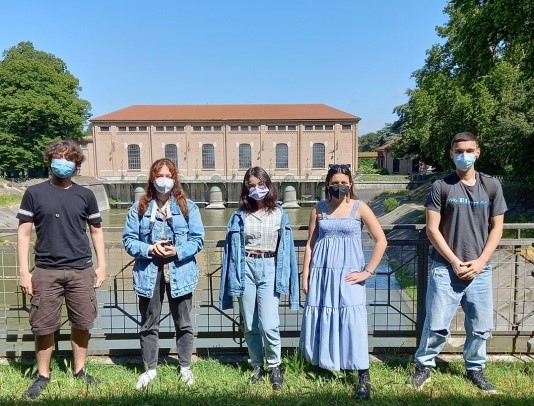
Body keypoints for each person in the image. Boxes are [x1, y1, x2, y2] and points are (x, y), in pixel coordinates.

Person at [406, 132, 507, 393]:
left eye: (469, 150)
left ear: (478, 152)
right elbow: (432, 229)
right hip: (445, 267)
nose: (464, 155)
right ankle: (424, 367)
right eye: (459, 151)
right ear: (451, 154)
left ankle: (475, 368)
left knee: (481, 326)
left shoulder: (491, 185)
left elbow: (497, 228)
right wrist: (453, 261)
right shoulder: (441, 186)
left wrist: (481, 261)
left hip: (480, 269)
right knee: (436, 324)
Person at [17, 140, 107, 400]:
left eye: (69, 158)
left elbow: (96, 231)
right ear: (50, 160)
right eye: (59, 157)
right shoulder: (34, 193)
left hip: (81, 269)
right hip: (45, 270)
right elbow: (23, 234)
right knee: (43, 326)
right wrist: (24, 271)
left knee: (82, 322)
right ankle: (43, 375)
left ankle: (80, 370)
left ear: (77, 163)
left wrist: (102, 266)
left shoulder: (85, 195)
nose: (63, 162)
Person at [299, 163, 387, 400]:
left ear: (350, 184)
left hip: (349, 275)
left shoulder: (360, 208)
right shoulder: (318, 209)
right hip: (322, 273)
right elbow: (310, 244)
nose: (339, 186)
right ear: (328, 184)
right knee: (323, 316)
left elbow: (381, 240)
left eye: (343, 183)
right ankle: (325, 363)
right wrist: (305, 275)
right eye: (335, 183)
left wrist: (367, 271)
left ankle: (363, 376)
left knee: (353, 321)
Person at [122, 158, 204, 390]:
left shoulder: (188, 208)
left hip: (181, 271)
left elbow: (198, 240)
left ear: (175, 179)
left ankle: (185, 366)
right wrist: (150, 248)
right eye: (160, 176)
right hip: (149, 272)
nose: (164, 180)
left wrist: (177, 251)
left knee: (184, 322)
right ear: (152, 178)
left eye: (169, 176)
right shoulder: (139, 208)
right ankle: (150, 369)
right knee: (149, 323)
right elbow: (128, 240)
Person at [219, 167, 299, 390]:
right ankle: (257, 365)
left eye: (260, 184)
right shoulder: (239, 215)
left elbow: (288, 249)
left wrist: (292, 279)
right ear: (246, 188)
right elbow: (230, 250)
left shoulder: (280, 213)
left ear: (268, 185)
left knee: (269, 323)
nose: (256, 189)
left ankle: (275, 365)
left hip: (270, 266)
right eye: (251, 185)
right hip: (245, 266)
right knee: (250, 324)